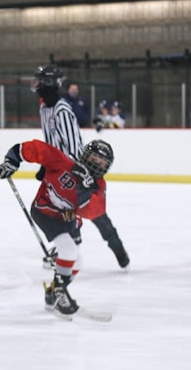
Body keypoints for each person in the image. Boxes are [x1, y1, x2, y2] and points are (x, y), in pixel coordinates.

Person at [0, 139, 115, 317]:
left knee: (77, 262)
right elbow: (35, 149)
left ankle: (53, 293)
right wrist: (12, 160)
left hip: (67, 220)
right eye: (94, 158)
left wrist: (85, 190)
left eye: (102, 162)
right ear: (85, 155)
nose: (97, 164)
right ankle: (60, 297)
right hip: (45, 211)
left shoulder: (98, 185)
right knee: (69, 250)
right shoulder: (63, 162)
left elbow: (93, 212)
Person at [31, 65, 129, 269]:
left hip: (75, 169)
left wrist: (77, 173)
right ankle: (69, 250)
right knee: (64, 210)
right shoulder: (44, 108)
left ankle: (120, 254)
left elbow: (73, 144)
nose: (37, 84)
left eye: (40, 80)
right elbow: (50, 140)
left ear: (49, 83)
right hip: (58, 169)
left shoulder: (62, 110)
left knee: (95, 213)